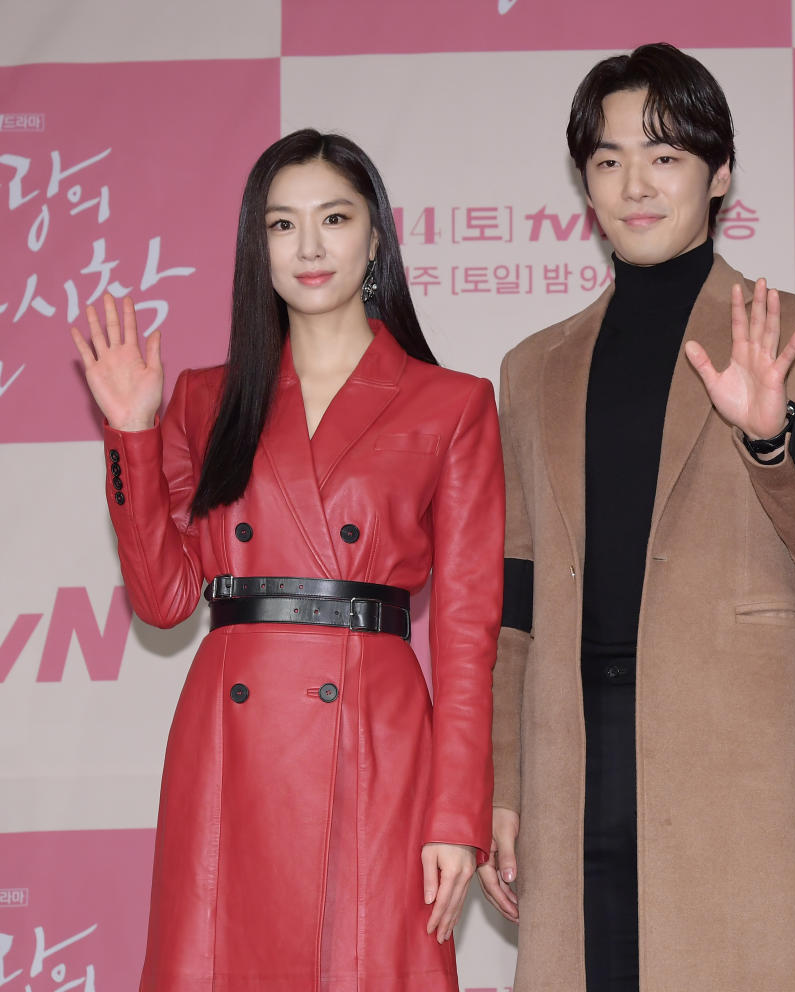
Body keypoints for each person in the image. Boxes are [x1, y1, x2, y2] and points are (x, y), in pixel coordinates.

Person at [477, 43, 795, 992]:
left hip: (729, 749)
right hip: (573, 754)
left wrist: (773, 437)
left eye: (665, 155)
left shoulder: (792, 330)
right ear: (584, 182)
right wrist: (506, 782)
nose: (635, 184)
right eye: (610, 159)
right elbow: (519, 596)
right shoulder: (533, 367)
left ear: (720, 172)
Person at [70, 129, 504, 992]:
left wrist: (457, 816)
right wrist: (132, 431)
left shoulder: (451, 404)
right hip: (232, 736)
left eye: (334, 218)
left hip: (376, 740)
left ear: (374, 237)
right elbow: (163, 601)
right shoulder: (203, 397)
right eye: (281, 225)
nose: (309, 247)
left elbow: (465, 632)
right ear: (254, 246)